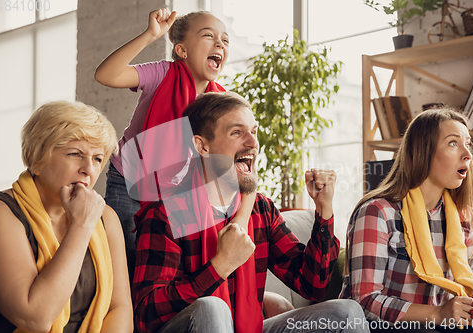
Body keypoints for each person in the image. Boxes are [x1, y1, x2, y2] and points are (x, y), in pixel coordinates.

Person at [131, 91, 368, 333]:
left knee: (346, 313)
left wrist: (324, 209)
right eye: (237, 132)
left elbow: (312, 284)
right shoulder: (167, 215)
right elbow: (145, 315)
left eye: (253, 131)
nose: (253, 142)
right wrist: (218, 267)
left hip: (250, 328)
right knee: (212, 309)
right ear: (202, 146)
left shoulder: (260, 209)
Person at [94, 8, 230, 280]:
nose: (219, 44)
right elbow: (105, 75)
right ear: (182, 50)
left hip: (173, 195)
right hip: (128, 183)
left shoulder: (220, 102)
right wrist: (150, 35)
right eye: (208, 36)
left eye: (225, 40)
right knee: (125, 262)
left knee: (159, 267)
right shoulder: (161, 74)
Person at [340, 107, 473, 332]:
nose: (467, 154)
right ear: (424, 151)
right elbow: (364, 302)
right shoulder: (377, 213)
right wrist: (437, 314)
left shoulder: (466, 218)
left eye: (467, 143)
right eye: (453, 143)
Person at [0, 101, 133, 332]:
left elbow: (119, 310)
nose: (88, 169)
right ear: (37, 160)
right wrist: (81, 226)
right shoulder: (3, 213)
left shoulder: (106, 217)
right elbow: (35, 318)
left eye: (98, 159)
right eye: (75, 154)